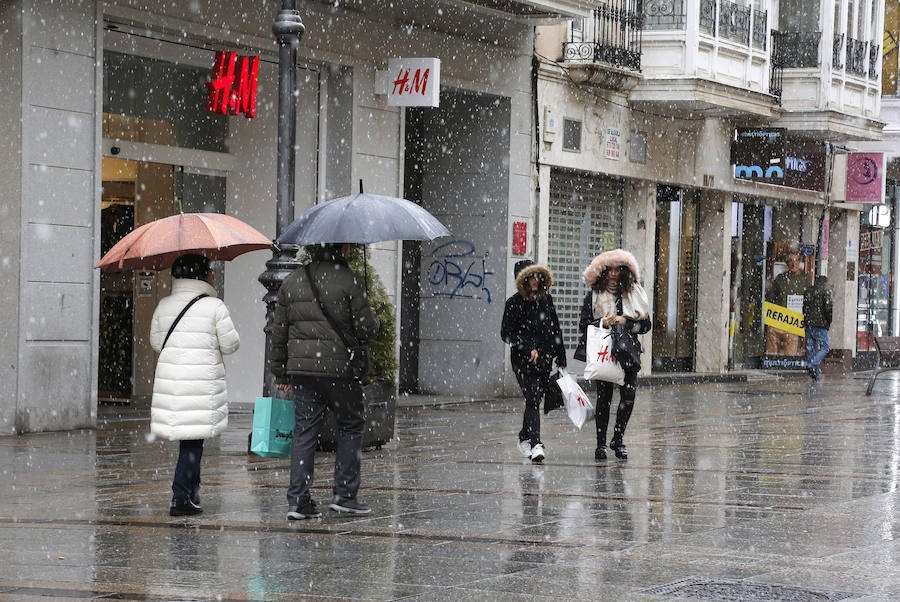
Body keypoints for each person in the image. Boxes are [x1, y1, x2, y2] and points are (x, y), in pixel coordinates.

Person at [268, 243, 380, 519]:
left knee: (305, 430)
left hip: (303, 371)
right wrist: (374, 318)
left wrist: (280, 372)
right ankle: (344, 494)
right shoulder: (349, 279)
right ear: (342, 247)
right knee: (351, 424)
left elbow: (278, 332)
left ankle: (298, 500)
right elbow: (367, 329)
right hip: (340, 369)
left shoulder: (292, 282)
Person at [149, 254, 240, 517]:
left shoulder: (164, 304)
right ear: (202, 275)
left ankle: (191, 492)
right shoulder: (214, 307)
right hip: (201, 384)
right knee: (192, 442)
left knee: (190, 441)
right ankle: (180, 496)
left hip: (174, 383)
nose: (213, 274)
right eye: (210, 270)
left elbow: (156, 343)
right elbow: (231, 344)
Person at [579, 249, 651, 461]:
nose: (612, 274)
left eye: (618, 269)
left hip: (627, 352)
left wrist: (626, 322)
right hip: (604, 352)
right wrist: (603, 322)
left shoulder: (635, 294)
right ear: (602, 272)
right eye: (608, 269)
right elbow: (583, 325)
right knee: (604, 399)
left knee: (628, 398)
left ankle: (618, 439)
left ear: (625, 271)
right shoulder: (593, 295)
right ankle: (601, 444)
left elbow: (646, 325)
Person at [501, 260, 567, 464]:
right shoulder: (513, 303)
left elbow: (555, 329)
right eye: (531, 277)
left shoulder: (547, 300)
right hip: (523, 362)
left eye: (538, 276)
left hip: (544, 360)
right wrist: (527, 347)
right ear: (523, 280)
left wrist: (561, 356)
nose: (535, 281)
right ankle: (537, 443)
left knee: (534, 399)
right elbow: (506, 333)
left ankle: (524, 436)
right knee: (532, 397)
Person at [766, 248, 810, 356]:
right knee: (771, 332)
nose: (794, 263)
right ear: (787, 262)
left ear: (800, 262)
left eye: (796, 260)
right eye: (791, 260)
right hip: (779, 319)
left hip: (794, 322)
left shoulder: (806, 279)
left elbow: (809, 299)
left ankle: (789, 368)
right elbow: (771, 298)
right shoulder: (780, 279)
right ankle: (771, 365)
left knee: (792, 344)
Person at [803, 275, 833, 381]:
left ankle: (815, 374)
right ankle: (812, 365)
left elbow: (804, 308)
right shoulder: (826, 291)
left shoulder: (808, 291)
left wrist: (806, 320)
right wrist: (828, 321)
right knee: (824, 348)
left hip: (808, 325)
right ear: (825, 283)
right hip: (821, 325)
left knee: (811, 349)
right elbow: (828, 309)